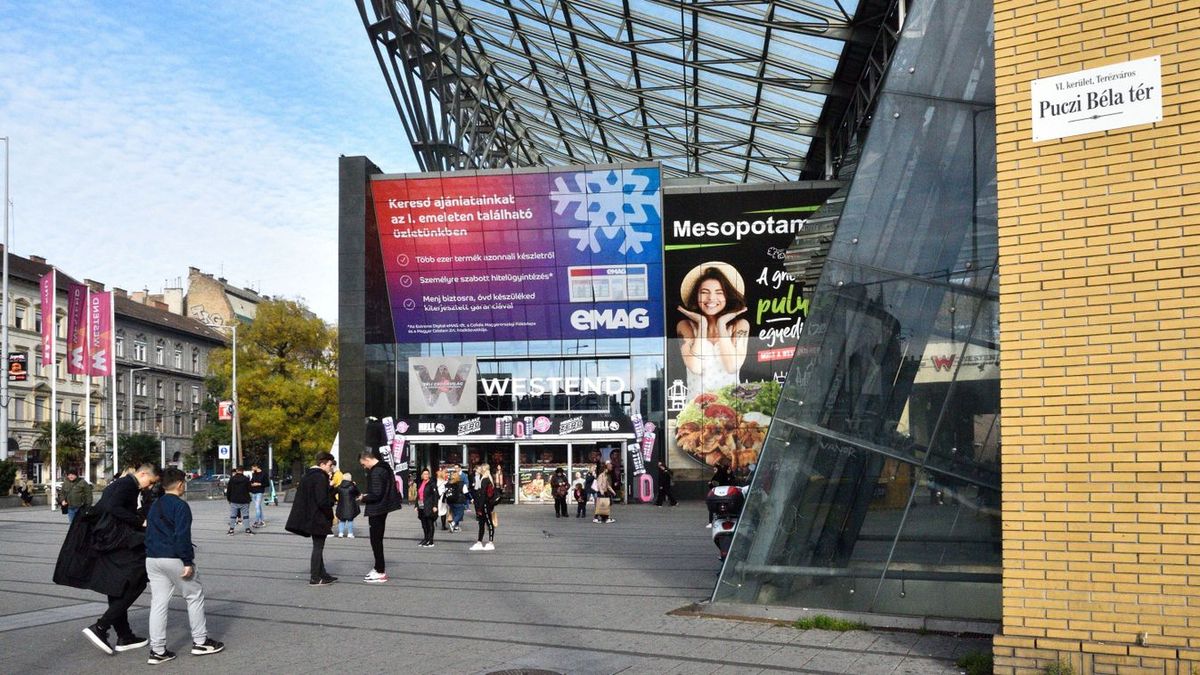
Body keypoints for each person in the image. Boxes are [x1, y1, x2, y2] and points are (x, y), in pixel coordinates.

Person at [65, 463, 160, 655]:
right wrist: (139, 521)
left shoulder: (123, 484)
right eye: (150, 482)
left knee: (116, 585)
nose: (149, 486)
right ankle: (101, 627)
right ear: (142, 474)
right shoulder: (127, 485)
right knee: (137, 580)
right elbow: (111, 507)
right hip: (116, 542)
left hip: (109, 541)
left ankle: (124, 635)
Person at [144, 468, 224, 664]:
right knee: (194, 596)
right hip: (174, 558)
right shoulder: (180, 506)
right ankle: (200, 641)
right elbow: (182, 535)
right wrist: (187, 561)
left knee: (158, 603)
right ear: (180, 484)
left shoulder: (155, 505)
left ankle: (158, 650)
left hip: (152, 558)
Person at [677, 263, 750, 394]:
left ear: (727, 297)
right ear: (695, 296)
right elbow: (696, 367)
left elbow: (732, 367)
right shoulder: (685, 326)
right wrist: (702, 324)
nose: (711, 298)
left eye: (719, 293)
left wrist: (721, 324)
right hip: (696, 409)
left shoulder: (740, 325)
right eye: (704, 293)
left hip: (732, 407)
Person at [285, 452, 337, 586]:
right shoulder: (320, 477)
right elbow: (322, 500)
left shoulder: (308, 475)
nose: (331, 468)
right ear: (322, 464)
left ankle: (322, 574)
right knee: (318, 547)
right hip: (318, 517)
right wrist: (330, 510)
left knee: (318, 546)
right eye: (330, 465)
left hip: (310, 515)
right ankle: (315, 577)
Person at [359, 449, 403, 583]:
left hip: (377, 509)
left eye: (363, 464)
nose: (364, 467)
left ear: (367, 459)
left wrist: (363, 498)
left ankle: (380, 571)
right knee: (377, 540)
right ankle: (378, 567)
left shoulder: (376, 471)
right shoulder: (385, 468)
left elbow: (376, 494)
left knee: (376, 541)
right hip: (383, 507)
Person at [469, 463, 497, 551]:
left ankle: (489, 542)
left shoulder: (485, 480)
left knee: (487, 522)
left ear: (484, 469)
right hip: (486, 504)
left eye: (481, 468)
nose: (479, 469)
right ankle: (480, 541)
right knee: (483, 523)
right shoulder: (487, 479)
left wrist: (479, 507)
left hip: (485, 504)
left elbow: (483, 495)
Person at [224, 467, 253, 536]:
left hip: (234, 500)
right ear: (243, 471)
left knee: (233, 515)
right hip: (244, 500)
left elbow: (229, 490)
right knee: (245, 515)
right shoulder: (246, 479)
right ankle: (247, 530)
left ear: (237, 471)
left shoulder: (232, 479)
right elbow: (250, 489)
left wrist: (228, 499)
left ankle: (231, 530)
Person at [707, 460, 733, 528]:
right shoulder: (717, 476)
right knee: (712, 508)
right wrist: (710, 484)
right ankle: (710, 522)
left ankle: (727, 519)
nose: (714, 471)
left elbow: (732, 484)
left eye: (715, 469)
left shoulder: (727, 476)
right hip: (718, 494)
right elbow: (713, 486)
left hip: (726, 495)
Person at [415, 468, 438, 548]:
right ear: (422, 475)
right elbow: (418, 495)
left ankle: (430, 541)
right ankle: (426, 538)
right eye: (424, 474)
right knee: (424, 524)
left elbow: (435, 495)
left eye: (427, 474)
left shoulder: (432, 483)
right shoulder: (421, 483)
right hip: (421, 506)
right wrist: (416, 506)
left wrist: (435, 506)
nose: (426, 475)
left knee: (429, 523)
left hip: (429, 505)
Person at [335, 472, 360, 538]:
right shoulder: (352, 487)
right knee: (350, 520)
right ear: (350, 479)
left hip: (341, 506)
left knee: (342, 519)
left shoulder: (339, 487)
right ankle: (350, 533)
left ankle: (340, 533)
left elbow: (333, 492)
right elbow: (358, 493)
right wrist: (355, 485)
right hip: (351, 506)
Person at [445, 465, 467, 533]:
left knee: (454, 513)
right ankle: (453, 523)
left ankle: (456, 527)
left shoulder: (448, 483)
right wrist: (470, 499)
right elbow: (466, 492)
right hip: (458, 500)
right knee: (460, 513)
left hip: (450, 500)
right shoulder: (461, 483)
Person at [248, 463, 267, 527]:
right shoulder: (254, 473)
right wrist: (252, 484)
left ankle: (256, 521)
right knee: (258, 507)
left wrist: (259, 484)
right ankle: (262, 521)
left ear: (256, 467)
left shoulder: (264, 473)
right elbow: (251, 481)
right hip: (253, 492)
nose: (252, 469)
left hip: (260, 491)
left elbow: (267, 483)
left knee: (257, 507)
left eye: (252, 467)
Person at [435, 466, 449, 531]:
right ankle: (443, 526)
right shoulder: (444, 482)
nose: (447, 474)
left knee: (437, 510)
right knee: (443, 511)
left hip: (437, 497)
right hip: (442, 497)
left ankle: (433, 522)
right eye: (446, 472)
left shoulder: (436, 481)